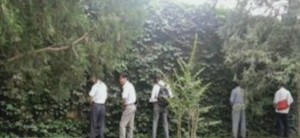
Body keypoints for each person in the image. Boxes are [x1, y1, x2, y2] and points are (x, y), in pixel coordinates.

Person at [119, 73, 137, 138]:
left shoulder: (126, 86)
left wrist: (123, 108)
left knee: (122, 125)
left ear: (125, 78)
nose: (120, 80)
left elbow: (124, 99)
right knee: (130, 127)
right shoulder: (130, 85)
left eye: (121, 78)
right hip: (133, 106)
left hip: (128, 107)